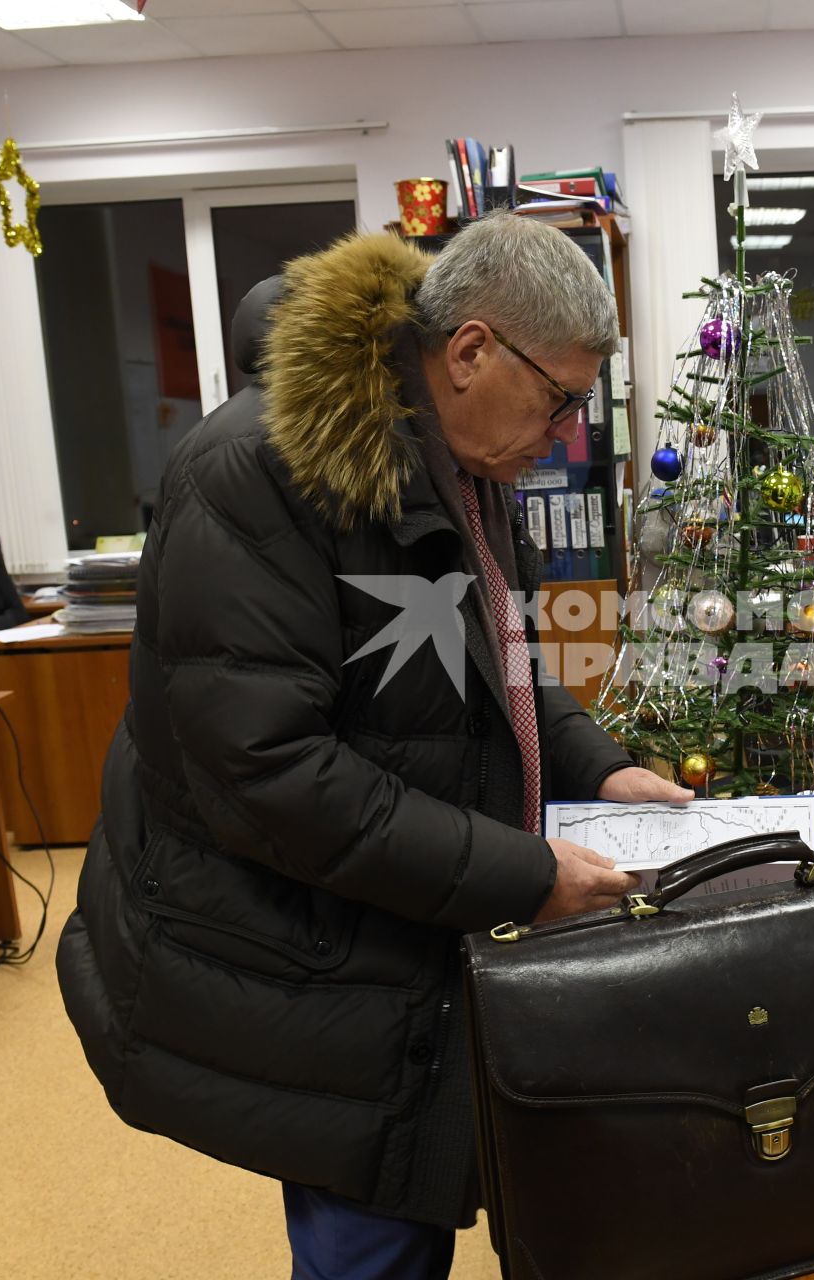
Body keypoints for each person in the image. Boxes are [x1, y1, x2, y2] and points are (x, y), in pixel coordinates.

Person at [58, 214, 691, 1280]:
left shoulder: (468, 450)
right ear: (472, 349)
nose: (569, 431)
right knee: (374, 1232)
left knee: (419, 1192)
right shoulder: (257, 472)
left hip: (405, 911)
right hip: (307, 952)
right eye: (560, 398)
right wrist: (522, 870)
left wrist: (594, 762)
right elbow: (270, 775)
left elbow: (499, 658)